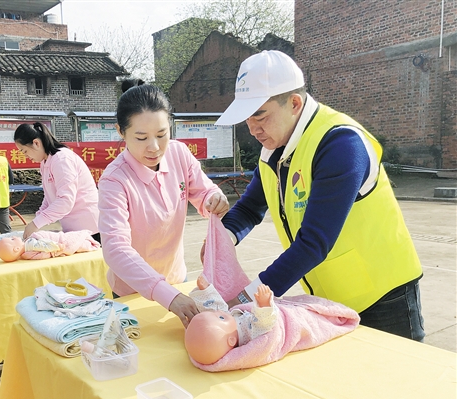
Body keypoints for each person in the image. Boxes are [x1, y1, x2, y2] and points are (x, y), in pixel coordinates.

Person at [215, 50, 424, 342]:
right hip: (330, 300)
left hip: (384, 295)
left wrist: (247, 299)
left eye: (259, 115)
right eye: (246, 118)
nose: (252, 129)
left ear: (294, 103)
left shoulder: (341, 144)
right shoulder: (274, 151)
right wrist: (221, 239)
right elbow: (249, 208)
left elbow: (314, 242)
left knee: (399, 382)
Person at [98, 79, 230, 328]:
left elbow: (203, 190)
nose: (155, 147)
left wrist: (213, 199)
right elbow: (115, 249)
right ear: (120, 131)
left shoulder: (178, 154)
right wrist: (168, 295)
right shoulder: (115, 180)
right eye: (141, 137)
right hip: (132, 292)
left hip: (177, 282)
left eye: (162, 134)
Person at [14, 123, 100, 242]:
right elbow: (49, 197)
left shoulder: (61, 159)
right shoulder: (45, 163)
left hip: (91, 228)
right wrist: (38, 218)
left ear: (36, 143)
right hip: (74, 229)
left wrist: (36, 223)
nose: (26, 156)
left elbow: (65, 200)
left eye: (24, 151)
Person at [185, 275, 278, 365]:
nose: (218, 312)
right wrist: (264, 305)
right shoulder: (249, 332)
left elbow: (216, 307)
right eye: (221, 317)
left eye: (213, 314)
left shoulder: (227, 328)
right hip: (278, 319)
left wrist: (205, 292)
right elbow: (264, 324)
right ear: (231, 340)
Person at [0, 230, 100, 262]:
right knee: (79, 241)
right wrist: (56, 246)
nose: (14, 236)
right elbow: (44, 245)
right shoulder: (31, 243)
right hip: (60, 241)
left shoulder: (26, 254)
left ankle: (89, 244)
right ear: (16, 249)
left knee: (80, 246)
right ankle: (91, 243)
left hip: (57, 245)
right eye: (12, 239)